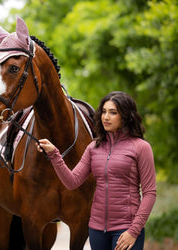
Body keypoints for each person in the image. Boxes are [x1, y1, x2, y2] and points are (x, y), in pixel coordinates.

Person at [37, 91, 156, 250]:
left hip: (126, 229)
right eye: (104, 112)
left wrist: (134, 231)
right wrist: (54, 154)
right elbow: (72, 181)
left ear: (126, 116)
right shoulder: (94, 147)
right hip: (97, 230)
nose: (106, 117)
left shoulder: (141, 147)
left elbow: (149, 193)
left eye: (113, 113)